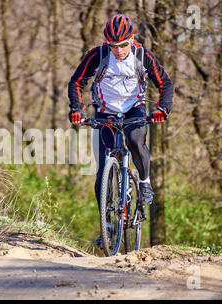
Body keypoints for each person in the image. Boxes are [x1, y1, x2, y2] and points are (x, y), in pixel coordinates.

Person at [67, 14, 174, 218]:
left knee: (135, 140)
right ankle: (106, 223)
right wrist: (76, 109)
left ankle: (144, 182)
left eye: (123, 44)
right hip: (105, 112)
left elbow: (166, 84)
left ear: (131, 39)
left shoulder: (143, 56)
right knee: (102, 171)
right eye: (113, 45)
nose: (118, 50)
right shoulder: (97, 55)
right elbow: (76, 82)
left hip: (134, 109)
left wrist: (163, 108)